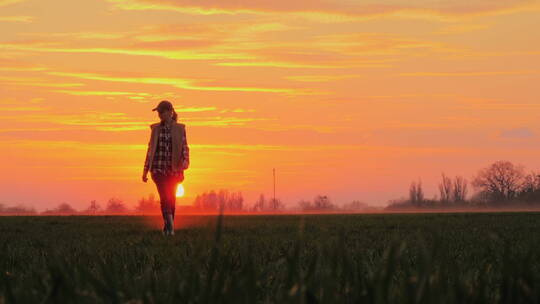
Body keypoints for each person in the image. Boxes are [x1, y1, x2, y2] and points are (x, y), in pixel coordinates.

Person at [142, 100, 189, 236]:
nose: (159, 115)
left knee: (171, 199)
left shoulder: (180, 129)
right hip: (158, 170)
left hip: (174, 171)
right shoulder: (155, 129)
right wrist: (145, 170)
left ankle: (167, 227)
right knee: (164, 197)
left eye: (161, 112)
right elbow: (150, 150)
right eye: (158, 113)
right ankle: (171, 227)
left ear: (170, 112)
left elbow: (185, 147)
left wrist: (185, 162)